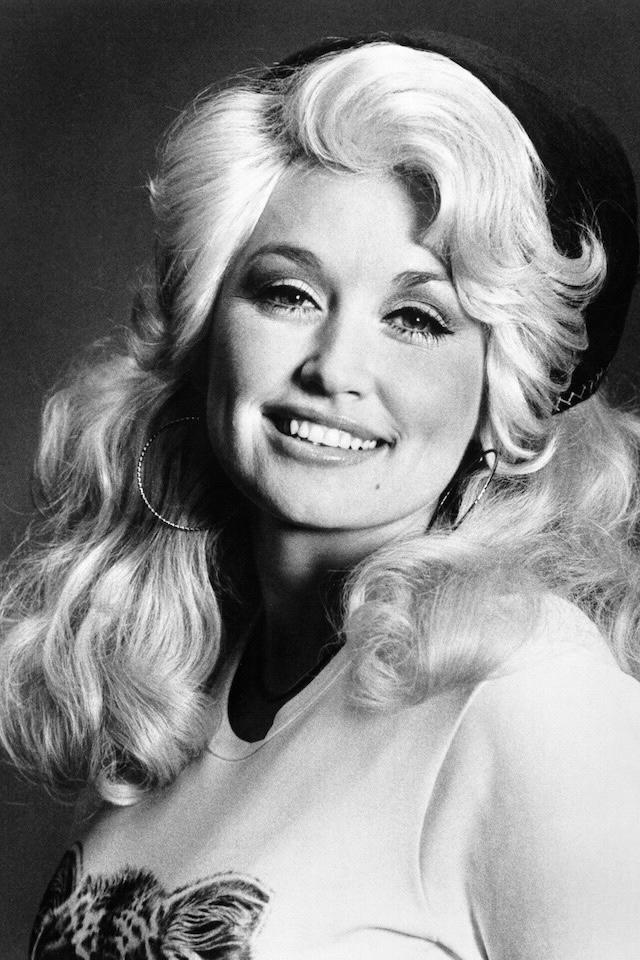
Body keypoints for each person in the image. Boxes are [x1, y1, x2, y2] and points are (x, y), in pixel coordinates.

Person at [2, 30, 640, 959]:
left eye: (415, 318)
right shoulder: (181, 683)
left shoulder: (537, 703)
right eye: (288, 293)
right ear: (207, 325)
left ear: (503, 395)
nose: (334, 368)